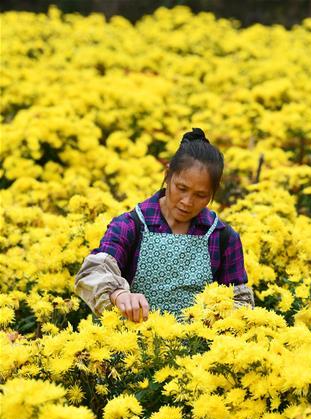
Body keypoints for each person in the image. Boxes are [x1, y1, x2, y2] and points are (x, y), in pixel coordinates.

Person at [75, 128, 254, 322]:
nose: (187, 201)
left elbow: (240, 302)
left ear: (213, 193)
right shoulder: (131, 225)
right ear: (168, 175)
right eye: (181, 188)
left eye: (200, 195)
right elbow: (93, 272)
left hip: (201, 349)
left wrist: (221, 316)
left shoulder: (223, 237)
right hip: (132, 345)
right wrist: (119, 295)